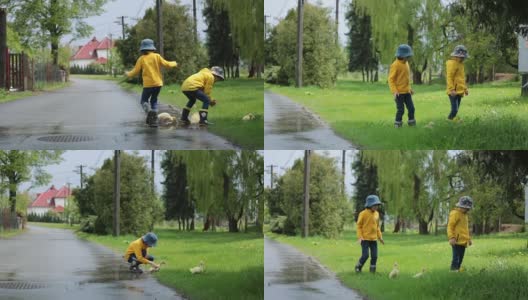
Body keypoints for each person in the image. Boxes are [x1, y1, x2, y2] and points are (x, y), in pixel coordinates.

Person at [125, 39, 178, 127]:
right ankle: (154, 118)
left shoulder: (141, 59)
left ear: (142, 49)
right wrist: (174, 63)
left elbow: (135, 71)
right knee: (154, 100)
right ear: (152, 48)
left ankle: (149, 111)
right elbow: (167, 64)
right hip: (158, 84)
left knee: (144, 101)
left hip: (148, 85)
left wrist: (128, 74)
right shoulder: (157, 56)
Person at [355, 195, 385, 274]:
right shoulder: (363, 213)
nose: (376, 207)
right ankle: (358, 267)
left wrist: (380, 237)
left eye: (377, 205)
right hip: (365, 239)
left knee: (374, 256)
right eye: (374, 205)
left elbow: (377, 227)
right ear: (369, 204)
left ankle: (372, 271)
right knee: (365, 255)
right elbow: (359, 226)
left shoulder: (377, 214)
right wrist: (360, 237)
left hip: (374, 239)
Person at [388, 44, 415, 128]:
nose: (409, 58)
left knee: (411, 108)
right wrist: (394, 91)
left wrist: (409, 89)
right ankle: (397, 125)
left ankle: (412, 124)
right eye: (408, 56)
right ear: (403, 56)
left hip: (407, 92)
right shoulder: (395, 65)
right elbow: (391, 80)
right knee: (401, 110)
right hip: (399, 93)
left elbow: (406, 79)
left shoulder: (406, 64)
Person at [447, 196, 473, 272]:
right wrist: (451, 237)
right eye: (466, 208)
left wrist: (469, 239)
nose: (468, 209)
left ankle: (457, 269)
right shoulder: (455, 213)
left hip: (463, 241)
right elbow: (450, 226)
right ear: (460, 206)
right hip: (456, 240)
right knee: (456, 257)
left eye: (468, 208)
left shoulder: (465, 215)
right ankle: (453, 270)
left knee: (461, 257)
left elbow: (465, 229)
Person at [446, 45, 469, 122]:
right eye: (461, 57)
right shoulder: (452, 64)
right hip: (453, 91)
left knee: (456, 109)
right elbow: (449, 77)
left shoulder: (461, 64)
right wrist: (452, 89)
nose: (463, 59)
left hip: (460, 91)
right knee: (454, 110)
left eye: (463, 57)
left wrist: (465, 89)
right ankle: (448, 120)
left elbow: (462, 78)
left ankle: (452, 121)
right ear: (456, 56)